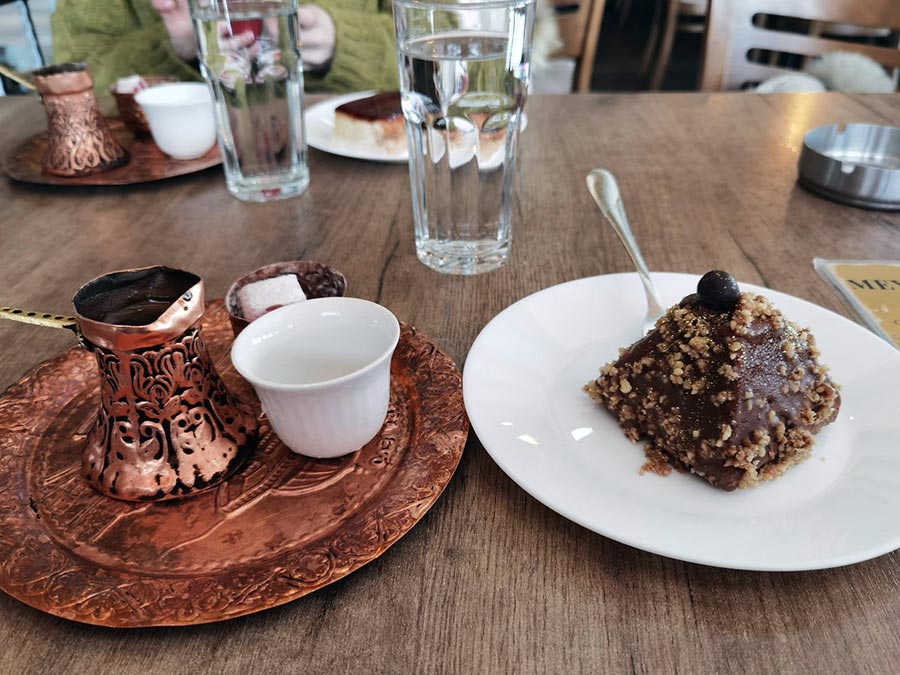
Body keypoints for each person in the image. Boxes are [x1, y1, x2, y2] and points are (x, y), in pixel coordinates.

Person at [51, 0, 399, 93]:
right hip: (157, 195)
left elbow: (429, 36)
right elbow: (69, 87)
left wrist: (344, 40)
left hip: (365, 166)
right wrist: (171, 48)